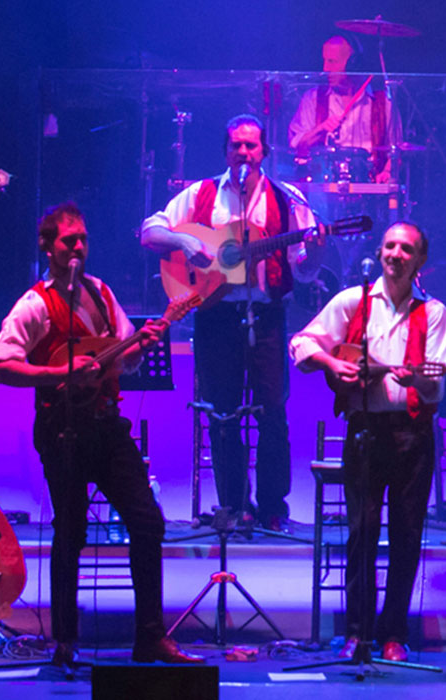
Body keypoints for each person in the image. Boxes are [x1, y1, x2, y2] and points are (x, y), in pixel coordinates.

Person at [0, 203, 202, 666]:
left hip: (107, 424)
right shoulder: (34, 304)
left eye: (84, 239)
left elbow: (121, 356)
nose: (79, 248)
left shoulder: (102, 294)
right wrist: (56, 372)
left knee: (147, 520)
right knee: (70, 531)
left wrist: (139, 348)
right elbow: (0, 365)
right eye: (69, 240)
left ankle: (149, 636)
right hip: (62, 429)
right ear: (48, 246)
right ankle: (65, 641)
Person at [141, 114, 324, 531]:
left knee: (273, 412)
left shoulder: (286, 198)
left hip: (267, 316)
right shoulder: (202, 194)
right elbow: (150, 231)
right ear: (226, 150)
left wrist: (316, 252)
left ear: (264, 151)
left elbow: (307, 269)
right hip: (215, 314)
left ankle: (273, 507)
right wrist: (185, 240)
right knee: (222, 415)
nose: (244, 153)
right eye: (237, 145)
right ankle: (234, 505)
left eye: (252, 146)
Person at [290, 221, 446, 663]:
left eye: (406, 249)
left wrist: (416, 376)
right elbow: (301, 344)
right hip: (363, 431)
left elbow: (436, 383)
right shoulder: (352, 301)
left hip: (411, 434)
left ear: (419, 260)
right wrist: (329, 361)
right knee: (361, 533)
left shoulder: (433, 312)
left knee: (406, 535)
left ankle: (394, 632)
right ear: (380, 253)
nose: (395, 254)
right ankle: (357, 633)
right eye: (389, 246)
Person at [286, 35, 397, 184]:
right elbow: (296, 145)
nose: (325, 69)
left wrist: (387, 172)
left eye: (332, 62)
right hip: (324, 192)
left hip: (370, 192)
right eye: (324, 61)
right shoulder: (312, 99)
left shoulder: (383, 104)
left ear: (352, 64)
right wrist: (320, 129)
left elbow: (397, 152)